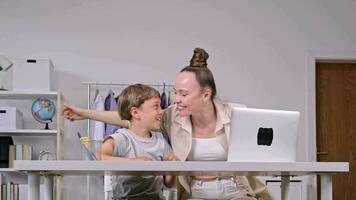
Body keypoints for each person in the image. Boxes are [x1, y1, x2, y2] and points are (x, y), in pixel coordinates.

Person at [62, 48, 272, 200]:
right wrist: (85, 113)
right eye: (175, 91)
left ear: (206, 94)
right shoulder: (174, 116)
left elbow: (261, 153)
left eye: (183, 93)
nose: (175, 99)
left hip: (235, 190)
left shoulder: (236, 114)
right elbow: (130, 118)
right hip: (195, 192)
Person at [98, 84, 177, 199]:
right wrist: (132, 162)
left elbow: (168, 183)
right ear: (135, 113)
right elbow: (99, 156)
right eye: (156, 107)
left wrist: (172, 168)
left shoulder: (161, 141)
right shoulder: (122, 138)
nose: (161, 112)